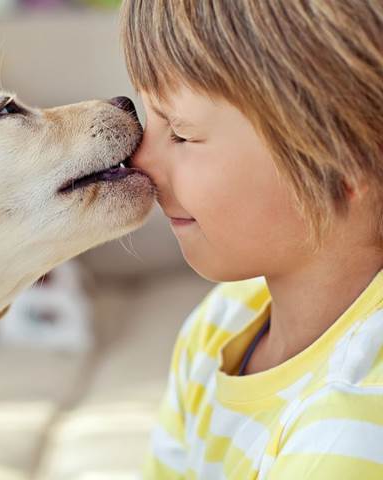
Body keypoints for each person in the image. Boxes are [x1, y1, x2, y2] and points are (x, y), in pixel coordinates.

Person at [121, 1, 383, 478]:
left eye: (180, 133)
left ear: (345, 162)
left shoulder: (351, 431)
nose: (138, 159)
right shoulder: (221, 325)